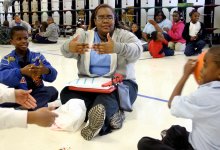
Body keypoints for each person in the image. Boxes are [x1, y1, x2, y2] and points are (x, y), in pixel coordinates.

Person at [60, 4, 142, 140]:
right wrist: (69, 46)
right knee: (66, 94)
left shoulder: (124, 35)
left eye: (109, 17)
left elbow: (137, 51)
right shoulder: (85, 36)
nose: (105, 21)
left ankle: (95, 123)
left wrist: (117, 47)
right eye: (101, 17)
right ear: (95, 20)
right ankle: (113, 115)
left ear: (115, 19)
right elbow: (64, 50)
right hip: (89, 85)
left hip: (120, 84)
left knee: (105, 99)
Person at [138, 46, 220, 150]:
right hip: (204, 142)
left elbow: (172, 104)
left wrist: (185, 75)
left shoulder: (204, 95)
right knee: (176, 130)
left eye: (205, 65)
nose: (201, 69)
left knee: (144, 143)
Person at [0, 26, 58, 109]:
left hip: (37, 92)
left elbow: (53, 76)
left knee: (52, 91)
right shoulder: (7, 59)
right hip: (18, 94)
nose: (23, 41)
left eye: (26, 38)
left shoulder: (38, 56)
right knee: (3, 97)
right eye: (19, 39)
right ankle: (32, 106)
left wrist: (46, 70)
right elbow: (2, 77)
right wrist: (21, 72)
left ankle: (23, 108)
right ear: (11, 42)